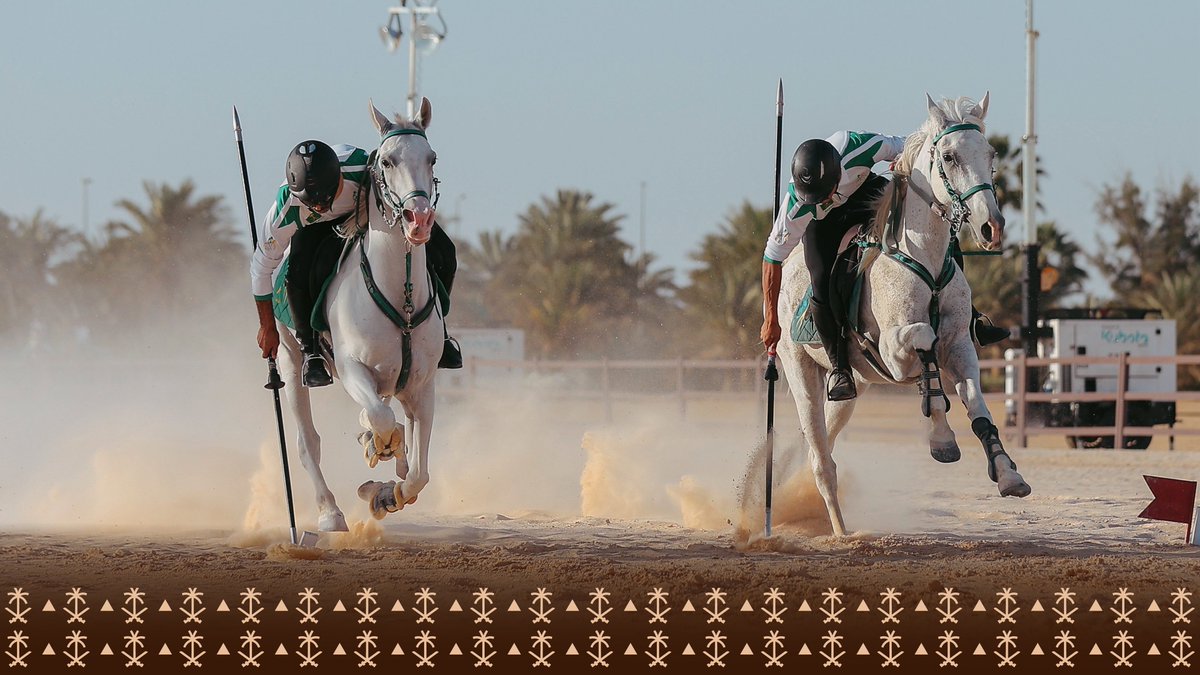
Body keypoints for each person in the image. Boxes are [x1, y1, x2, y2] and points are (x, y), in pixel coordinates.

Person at [251, 140, 462, 387]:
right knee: (297, 270)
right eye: (312, 202)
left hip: (365, 212)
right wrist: (267, 326)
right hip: (314, 227)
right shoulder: (285, 208)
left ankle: (441, 332)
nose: (320, 205)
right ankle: (312, 352)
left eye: (326, 196)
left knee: (445, 252)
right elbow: (261, 268)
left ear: (339, 177)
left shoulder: (365, 169)